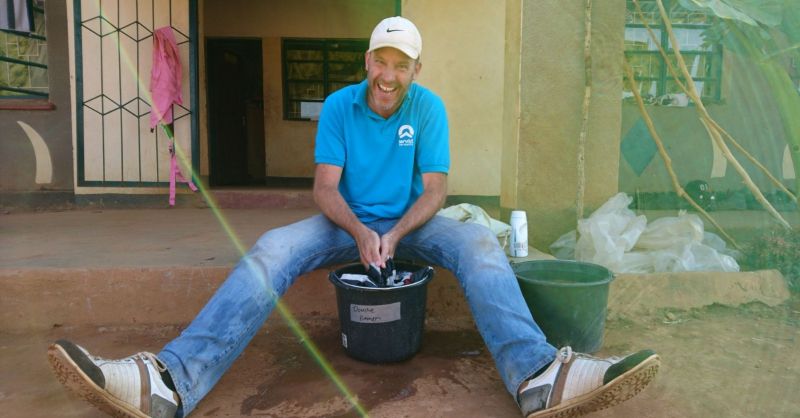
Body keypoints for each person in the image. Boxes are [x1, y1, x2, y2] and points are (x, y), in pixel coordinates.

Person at [48, 16, 660, 418]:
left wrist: (394, 232)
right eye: (380, 61)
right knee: (272, 250)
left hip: (411, 227)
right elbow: (324, 187)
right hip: (345, 224)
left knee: (476, 244)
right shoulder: (340, 106)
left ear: (416, 70)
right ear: (367, 59)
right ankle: (171, 381)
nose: (388, 75)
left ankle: (537, 376)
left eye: (402, 65)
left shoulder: (430, 108)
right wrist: (362, 231)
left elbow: (437, 188)